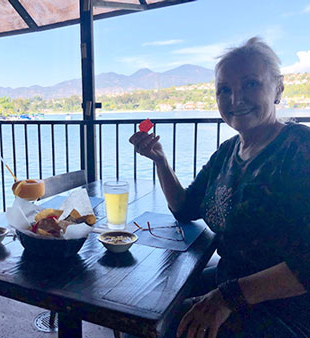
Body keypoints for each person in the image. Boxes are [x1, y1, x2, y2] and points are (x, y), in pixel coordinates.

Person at [129, 37, 310, 338]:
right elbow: (185, 208)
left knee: (161, 328)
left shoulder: (299, 149)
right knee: (143, 307)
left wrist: (226, 298)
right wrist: (160, 160)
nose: (235, 98)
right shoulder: (227, 152)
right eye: (224, 90)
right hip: (231, 281)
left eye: (250, 84)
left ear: (278, 89)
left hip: (287, 307)